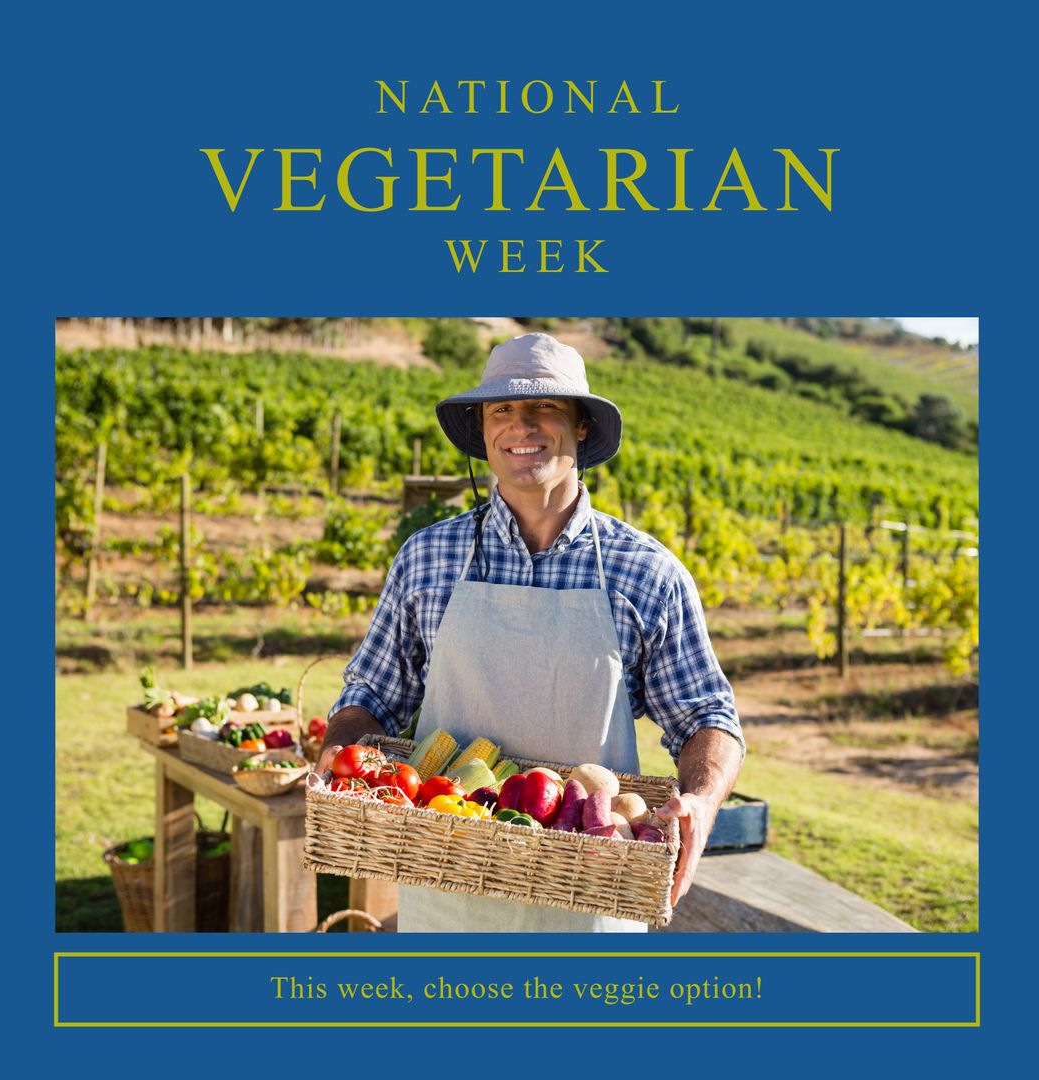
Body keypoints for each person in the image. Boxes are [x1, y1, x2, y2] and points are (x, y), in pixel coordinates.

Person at [315, 331, 744, 931]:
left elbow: (706, 717)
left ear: (582, 426)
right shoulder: (427, 558)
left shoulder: (647, 573)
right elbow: (371, 698)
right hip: (446, 891)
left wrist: (700, 799)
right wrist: (338, 752)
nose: (522, 425)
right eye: (502, 409)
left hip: (591, 895)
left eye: (545, 406)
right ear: (483, 428)